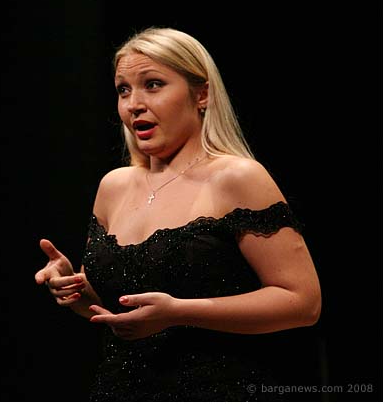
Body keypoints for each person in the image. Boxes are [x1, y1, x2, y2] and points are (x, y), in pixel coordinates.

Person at [34, 27, 322, 401]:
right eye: (124, 90)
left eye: (153, 85)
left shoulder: (236, 178)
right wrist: (74, 289)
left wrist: (179, 312)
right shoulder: (114, 186)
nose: (134, 104)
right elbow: (112, 308)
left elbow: (302, 303)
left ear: (201, 94)